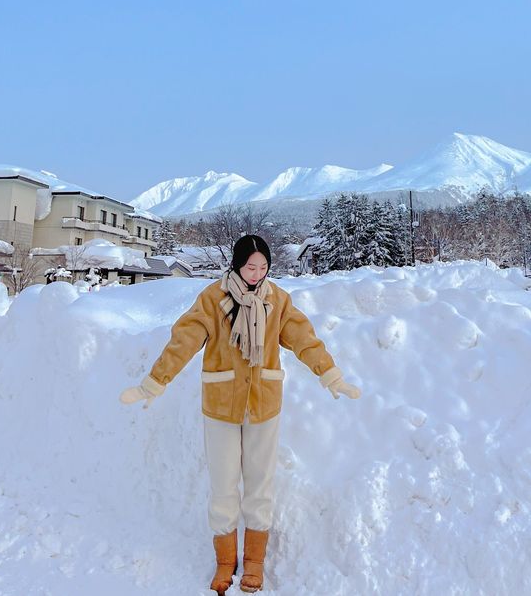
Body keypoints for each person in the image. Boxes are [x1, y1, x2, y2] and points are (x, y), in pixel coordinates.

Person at [120, 234, 361, 594]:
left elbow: (303, 338)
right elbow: (183, 341)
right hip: (221, 407)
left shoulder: (277, 300)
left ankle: (253, 561)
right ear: (237, 264)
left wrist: (330, 374)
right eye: (251, 266)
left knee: (260, 485)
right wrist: (155, 382)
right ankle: (224, 561)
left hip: (264, 404)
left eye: (263, 267)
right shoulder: (213, 299)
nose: (257, 273)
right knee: (223, 487)